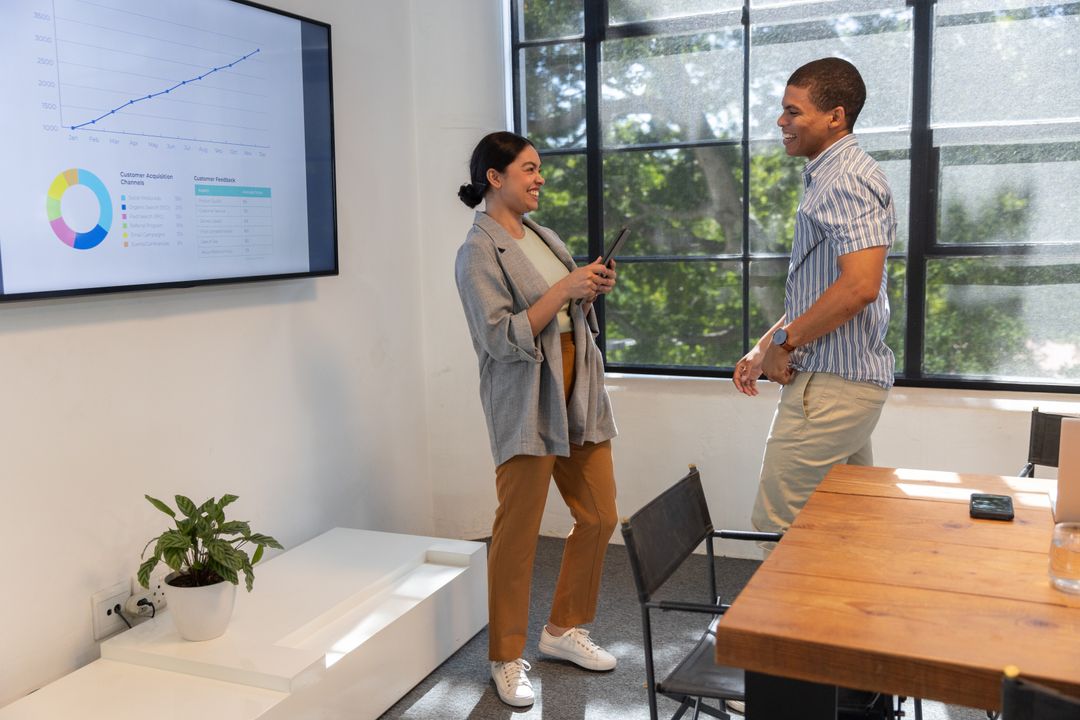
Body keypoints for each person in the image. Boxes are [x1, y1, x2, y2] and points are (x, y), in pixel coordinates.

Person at [454, 131, 620, 708]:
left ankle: (561, 630)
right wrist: (565, 288)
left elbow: (567, 311)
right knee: (518, 532)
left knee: (600, 515)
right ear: (494, 178)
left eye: (540, 169)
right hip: (525, 393)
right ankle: (505, 657)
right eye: (529, 169)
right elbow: (502, 337)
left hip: (577, 388)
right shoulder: (477, 251)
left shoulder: (544, 236)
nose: (540, 178)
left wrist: (587, 289)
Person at [734, 57, 896, 551]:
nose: (781, 122)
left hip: (831, 388)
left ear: (835, 116)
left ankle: (779, 630)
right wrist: (766, 345)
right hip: (841, 384)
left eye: (792, 111)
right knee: (842, 527)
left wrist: (786, 341)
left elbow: (859, 287)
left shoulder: (843, 178)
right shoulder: (832, 176)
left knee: (780, 528)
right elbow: (824, 286)